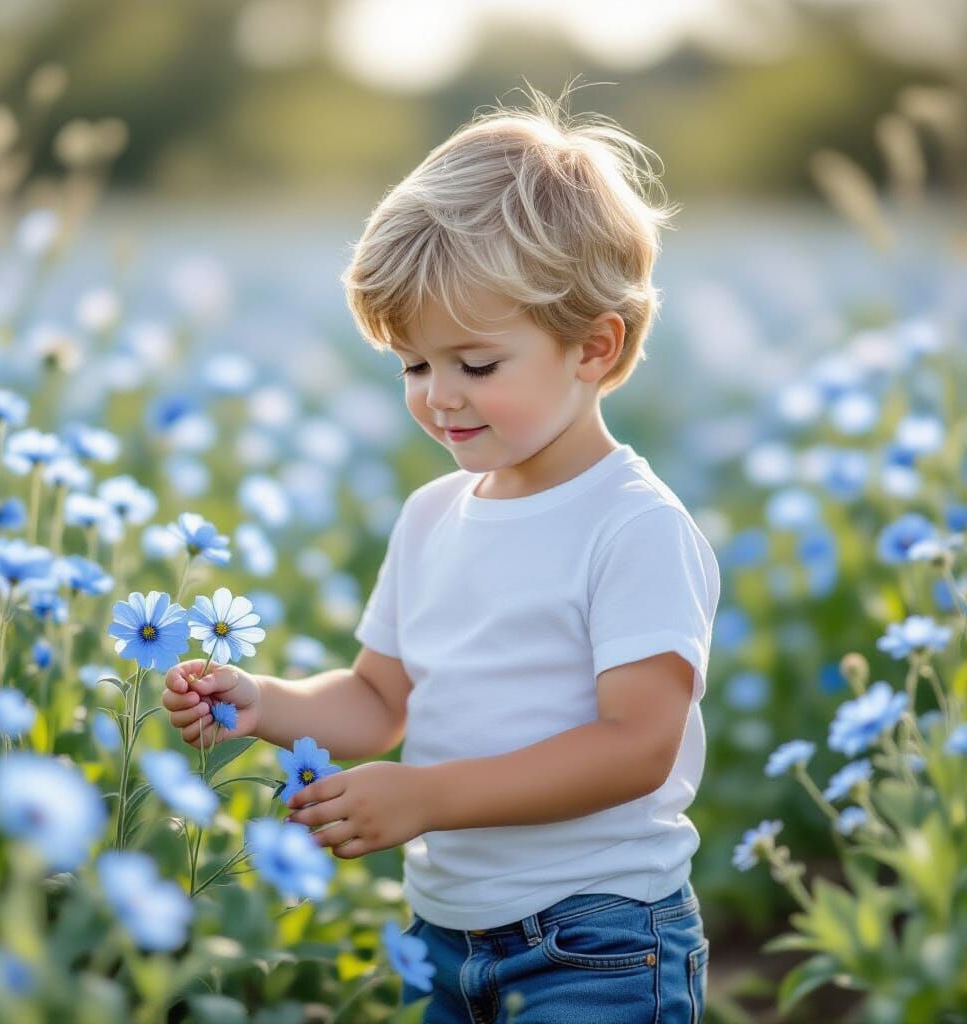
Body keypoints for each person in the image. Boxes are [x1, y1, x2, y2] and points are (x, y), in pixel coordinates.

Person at [161, 81, 720, 1023]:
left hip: (599, 939)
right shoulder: (432, 516)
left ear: (594, 347)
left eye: (477, 364)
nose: (439, 397)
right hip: (444, 934)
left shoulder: (633, 525)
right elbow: (380, 702)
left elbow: (637, 748)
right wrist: (265, 705)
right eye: (414, 365)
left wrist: (426, 797)